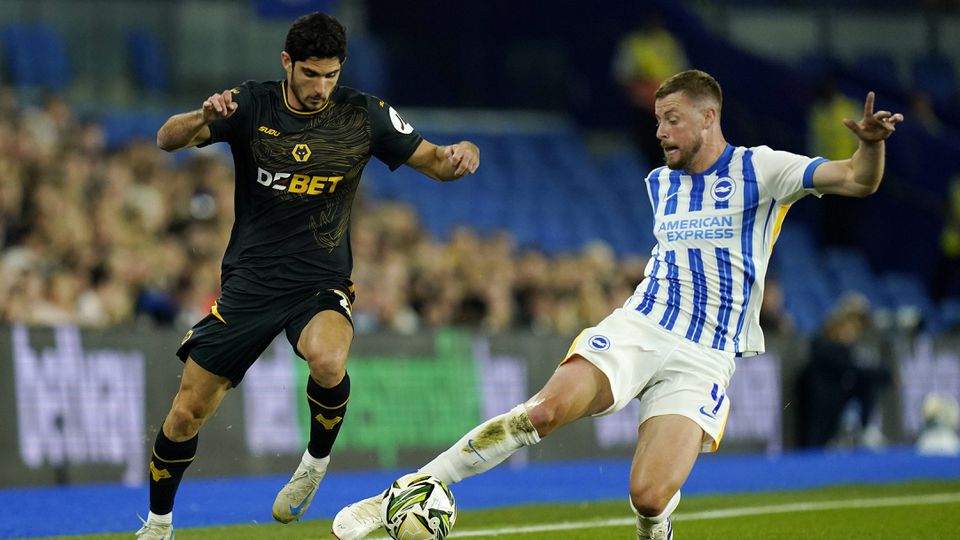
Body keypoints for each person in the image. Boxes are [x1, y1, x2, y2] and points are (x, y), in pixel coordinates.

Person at [332, 69, 903, 540]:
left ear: (709, 117)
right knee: (544, 412)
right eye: (657, 121)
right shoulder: (661, 182)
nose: (660, 132)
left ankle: (655, 530)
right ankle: (399, 495)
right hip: (643, 324)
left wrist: (869, 147)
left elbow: (856, 179)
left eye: (672, 119)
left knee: (650, 496)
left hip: (706, 355)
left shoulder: (761, 168)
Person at [135, 12, 479, 540]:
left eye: (331, 75)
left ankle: (315, 462)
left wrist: (462, 154)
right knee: (185, 414)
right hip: (251, 283)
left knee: (327, 356)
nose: (321, 87)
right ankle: (158, 526)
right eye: (311, 74)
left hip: (321, 280)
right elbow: (166, 139)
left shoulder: (364, 116)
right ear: (287, 63)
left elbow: (435, 161)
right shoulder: (252, 104)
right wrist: (200, 113)